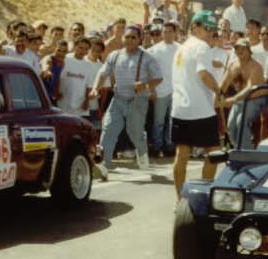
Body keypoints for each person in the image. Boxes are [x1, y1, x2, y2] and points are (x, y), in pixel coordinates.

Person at [90, 26, 162, 170]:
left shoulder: (147, 57)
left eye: (133, 37)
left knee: (135, 132)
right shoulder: (114, 55)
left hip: (137, 100)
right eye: (127, 37)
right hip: (118, 99)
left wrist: (146, 85)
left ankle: (142, 153)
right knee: (108, 129)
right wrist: (95, 88)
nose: (129, 40)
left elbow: (158, 78)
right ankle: (104, 164)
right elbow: (102, 73)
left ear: (140, 39)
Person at [169, 11, 222, 198]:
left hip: (180, 109)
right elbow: (204, 74)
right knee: (214, 153)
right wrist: (218, 90)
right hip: (201, 109)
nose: (209, 33)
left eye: (212, 29)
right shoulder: (202, 47)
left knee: (182, 154)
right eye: (206, 28)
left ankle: (179, 200)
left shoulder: (181, 48)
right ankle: (204, 196)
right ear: (194, 27)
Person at [220, 39, 268, 150]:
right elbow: (224, 84)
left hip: (258, 98)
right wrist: (217, 97)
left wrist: (232, 99)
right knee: (231, 125)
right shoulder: (233, 65)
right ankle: (238, 149)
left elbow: (250, 88)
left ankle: (245, 152)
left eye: (243, 48)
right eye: (238, 49)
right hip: (241, 99)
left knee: (242, 120)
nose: (240, 51)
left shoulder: (255, 66)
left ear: (249, 51)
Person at [147, 22, 180, 157]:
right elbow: (149, 71)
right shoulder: (154, 50)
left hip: (176, 90)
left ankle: (169, 146)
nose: (167, 34)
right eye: (164, 32)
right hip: (160, 91)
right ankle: (156, 146)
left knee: (172, 120)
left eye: (170, 31)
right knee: (158, 121)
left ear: (175, 33)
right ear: (162, 34)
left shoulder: (180, 49)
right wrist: (152, 89)